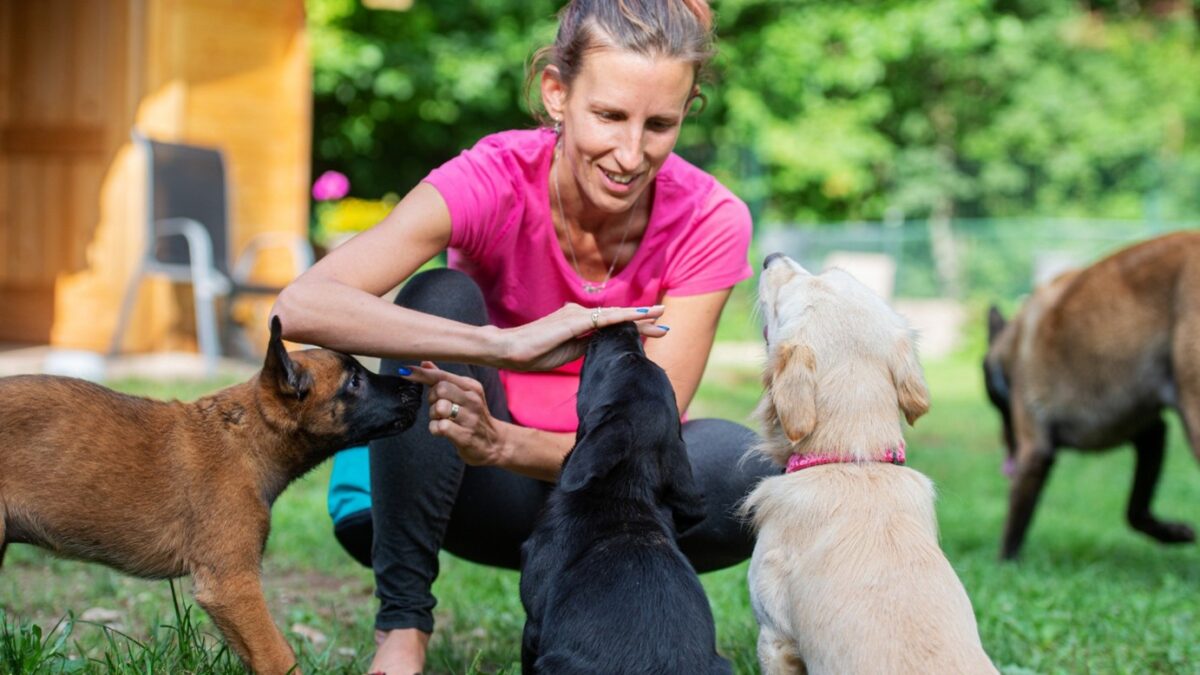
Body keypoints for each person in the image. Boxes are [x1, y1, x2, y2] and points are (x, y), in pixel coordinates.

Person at [271, 0, 777, 671]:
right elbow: (301, 306)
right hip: (466, 486)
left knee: (750, 469)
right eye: (610, 116)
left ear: (689, 110)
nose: (631, 154)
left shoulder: (710, 217)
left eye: (660, 124)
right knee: (439, 296)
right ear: (557, 93)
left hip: (603, 502)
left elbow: (644, 438)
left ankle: (599, 614)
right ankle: (401, 631)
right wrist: (503, 345)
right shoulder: (494, 178)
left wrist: (504, 442)